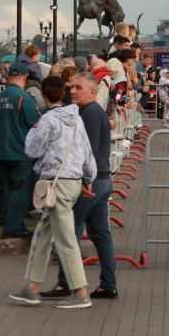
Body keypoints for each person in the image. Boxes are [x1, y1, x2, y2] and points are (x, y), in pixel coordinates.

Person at [6, 76, 97, 309]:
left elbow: (32, 150)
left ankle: (81, 292)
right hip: (74, 180)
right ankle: (32, 288)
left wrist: (33, 131)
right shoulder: (77, 119)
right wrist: (88, 179)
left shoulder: (47, 119)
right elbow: (87, 152)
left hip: (56, 182)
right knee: (44, 233)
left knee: (65, 239)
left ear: (44, 97)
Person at [42, 73, 118, 299]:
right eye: (71, 87)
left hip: (93, 182)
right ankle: (107, 284)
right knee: (100, 234)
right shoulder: (89, 112)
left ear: (92, 92)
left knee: (69, 231)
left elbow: (89, 152)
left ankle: (65, 284)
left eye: (78, 88)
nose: (72, 91)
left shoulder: (91, 113)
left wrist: (85, 182)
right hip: (102, 180)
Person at [0, 64, 41, 239]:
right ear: (25, 77)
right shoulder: (25, 98)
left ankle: (4, 218)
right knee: (20, 189)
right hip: (20, 151)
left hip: (0, 150)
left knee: (5, 187)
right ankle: (13, 227)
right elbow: (35, 125)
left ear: (7, 78)